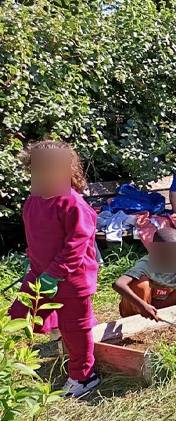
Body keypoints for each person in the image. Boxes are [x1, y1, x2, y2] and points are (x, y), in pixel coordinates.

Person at [7, 140, 101, 399]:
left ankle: (84, 377)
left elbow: (76, 245)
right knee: (18, 315)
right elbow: (37, 236)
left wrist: (55, 273)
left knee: (76, 328)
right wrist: (33, 260)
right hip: (39, 274)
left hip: (72, 278)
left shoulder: (73, 204)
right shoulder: (33, 200)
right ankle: (17, 361)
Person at [113, 228, 176, 319]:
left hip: (164, 302)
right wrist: (142, 306)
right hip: (141, 307)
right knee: (141, 283)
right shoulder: (146, 264)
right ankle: (139, 319)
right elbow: (118, 284)